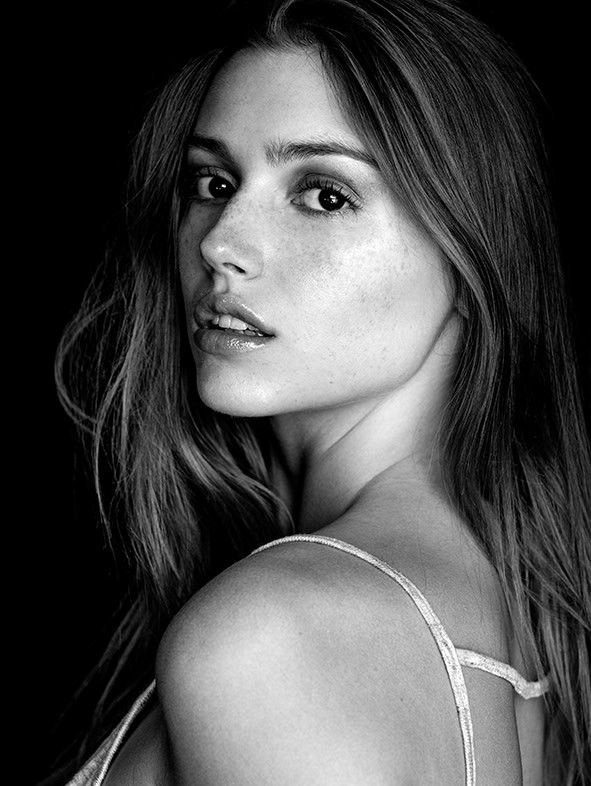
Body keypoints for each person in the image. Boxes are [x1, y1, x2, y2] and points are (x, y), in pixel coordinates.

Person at [47, 0, 590, 783]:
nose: (219, 242)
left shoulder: (274, 634)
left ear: (474, 252)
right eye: (213, 181)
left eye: (324, 195)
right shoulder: (525, 623)